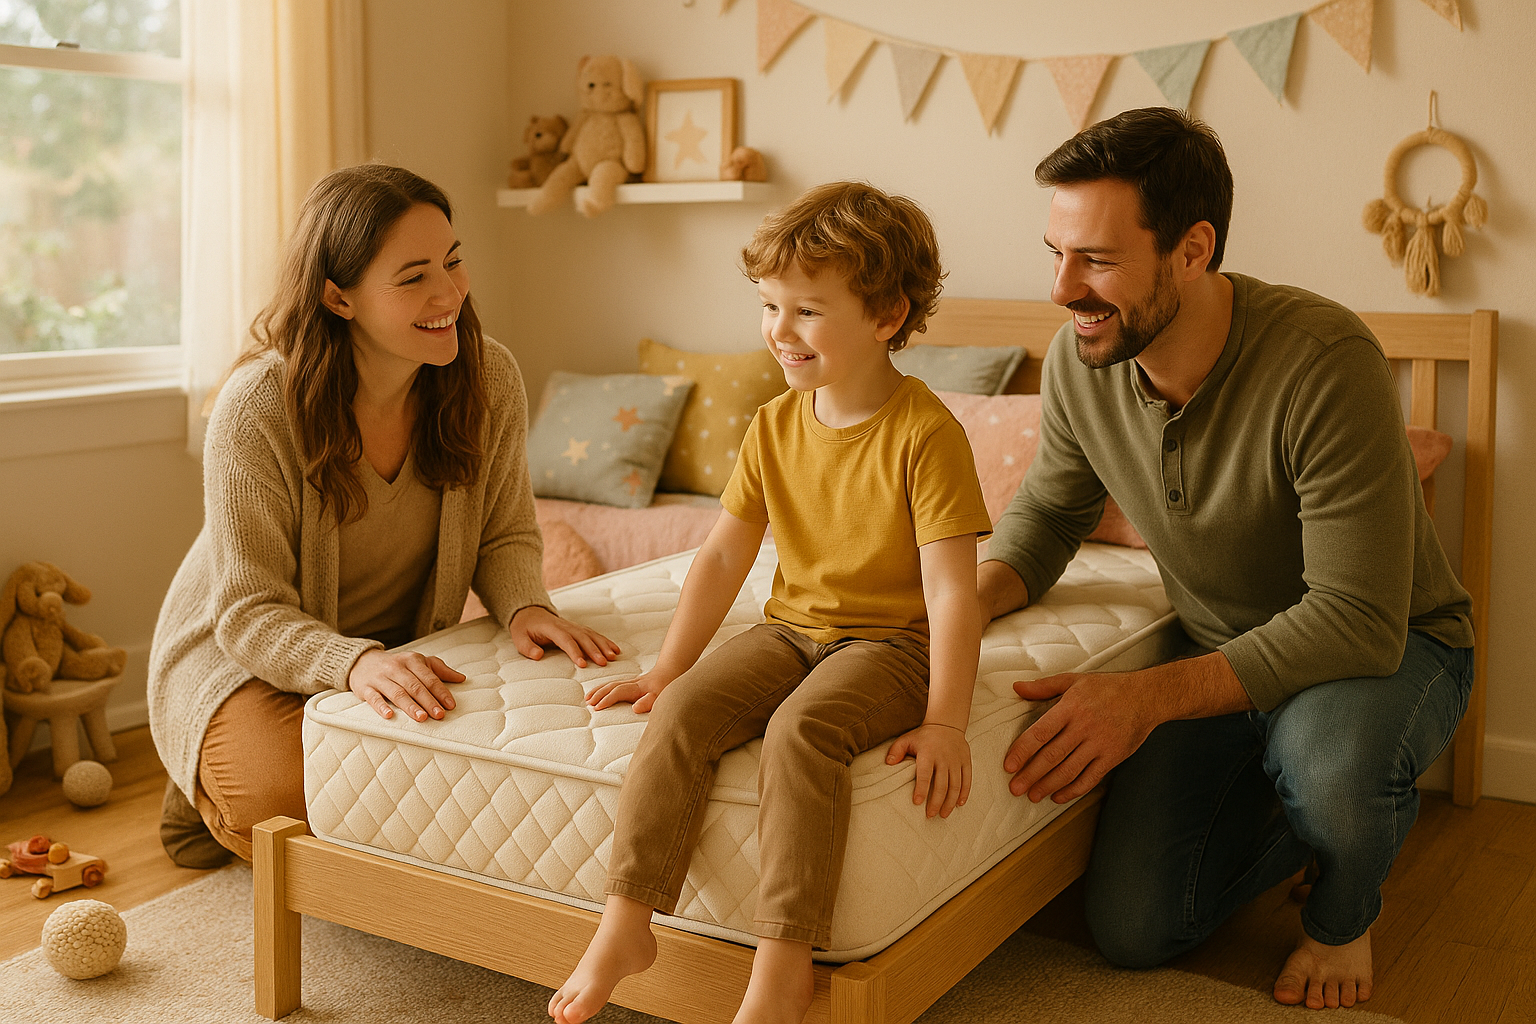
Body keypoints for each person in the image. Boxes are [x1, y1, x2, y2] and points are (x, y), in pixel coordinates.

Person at [980, 108, 1475, 1011]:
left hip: (1387, 652)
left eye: (1095, 259)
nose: (1061, 288)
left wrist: (1151, 699)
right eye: (1055, 251)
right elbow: (1050, 514)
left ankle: (1342, 904)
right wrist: (959, 603)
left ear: (1193, 249)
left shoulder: (1325, 361)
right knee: (1134, 931)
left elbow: (1355, 619)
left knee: (1332, 768)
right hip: (1224, 656)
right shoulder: (1078, 359)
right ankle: (1311, 817)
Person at [548, 181, 994, 1024]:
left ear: (887, 315)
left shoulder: (927, 434)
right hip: (791, 628)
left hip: (894, 645)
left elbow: (952, 593)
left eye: (807, 312)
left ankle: (783, 964)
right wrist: (671, 665)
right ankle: (627, 922)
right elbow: (722, 554)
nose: (779, 333)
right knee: (679, 711)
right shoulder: (774, 424)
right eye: (769, 307)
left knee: (801, 732)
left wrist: (946, 721)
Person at [149, 164, 619, 869]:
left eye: (454, 262)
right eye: (413, 277)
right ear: (339, 299)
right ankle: (197, 779)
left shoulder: (489, 377)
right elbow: (247, 613)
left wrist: (524, 605)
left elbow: (506, 532)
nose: (449, 294)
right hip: (240, 655)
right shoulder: (257, 408)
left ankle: (221, 766)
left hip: (385, 652)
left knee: (424, 791)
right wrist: (353, 661)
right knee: (298, 802)